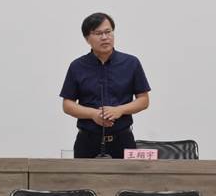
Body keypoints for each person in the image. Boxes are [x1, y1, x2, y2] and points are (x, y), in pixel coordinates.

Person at [60, 12, 151, 159]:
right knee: (83, 175)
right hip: (87, 141)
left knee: (128, 175)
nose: (104, 37)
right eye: (98, 33)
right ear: (87, 38)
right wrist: (93, 114)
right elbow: (67, 105)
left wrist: (120, 110)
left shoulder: (131, 63)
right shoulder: (77, 66)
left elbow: (144, 100)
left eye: (108, 32)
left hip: (122, 139)